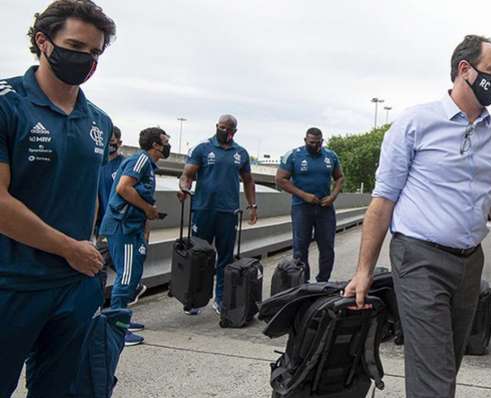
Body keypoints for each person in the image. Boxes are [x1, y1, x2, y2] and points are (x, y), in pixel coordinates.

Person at [343, 35, 491, 398]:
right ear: (466, 70)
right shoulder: (415, 123)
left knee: (443, 367)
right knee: (436, 376)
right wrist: (363, 270)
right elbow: (382, 203)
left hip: (469, 263)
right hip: (419, 259)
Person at [0, 1, 115, 398]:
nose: (85, 59)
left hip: (73, 287)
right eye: (75, 46)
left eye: (95, 52)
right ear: (42, 42)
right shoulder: (7, 105)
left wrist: (88, 256)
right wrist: (71, 249)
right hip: (12, 281)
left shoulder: (98, 121)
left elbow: (90, 196)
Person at [178, 115, 258, 315]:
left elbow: (248, 180)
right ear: (216, 126)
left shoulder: (241, 153)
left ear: (234, 131)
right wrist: (183, 188)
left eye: (228, 128)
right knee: (199, 256)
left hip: (228, 212)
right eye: (221, 127)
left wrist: (252, 205)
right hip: (203, 210)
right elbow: (187, 175)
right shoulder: (202, 148)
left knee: (225, 258)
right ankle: (194, 299)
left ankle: (221, 298)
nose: (223, 131)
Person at [99, 127, 170, 346]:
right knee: (127, 276)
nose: (168, 145)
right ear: (155, 145)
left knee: (132, 273)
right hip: (123, 228)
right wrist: (147, 209)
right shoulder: (140, 161)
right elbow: (123, 188)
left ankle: (123, 319)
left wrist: (149, 212)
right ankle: (117, 328)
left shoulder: (147, 165)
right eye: (165, 141)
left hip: (132, 227)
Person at [276, 127, 344, 283]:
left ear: (322, 141)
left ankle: (323, 281)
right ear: (305, 140)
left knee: (327, 248)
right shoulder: (293, 155)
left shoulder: (331, 156)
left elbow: (340, 178)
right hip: (302, 208)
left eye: (318, 143)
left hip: (325, 208)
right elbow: (280, 180)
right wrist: (303, 195)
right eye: (312, 142)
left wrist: (333, 196)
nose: (315, 146)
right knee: (300, 249)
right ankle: (302, 283)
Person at [96, 125, 124, 233]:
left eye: (111, 140)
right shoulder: (96, 164)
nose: (108, 144)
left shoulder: (125, 165)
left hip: (119, 225)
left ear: (119, 143)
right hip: (100, 224)